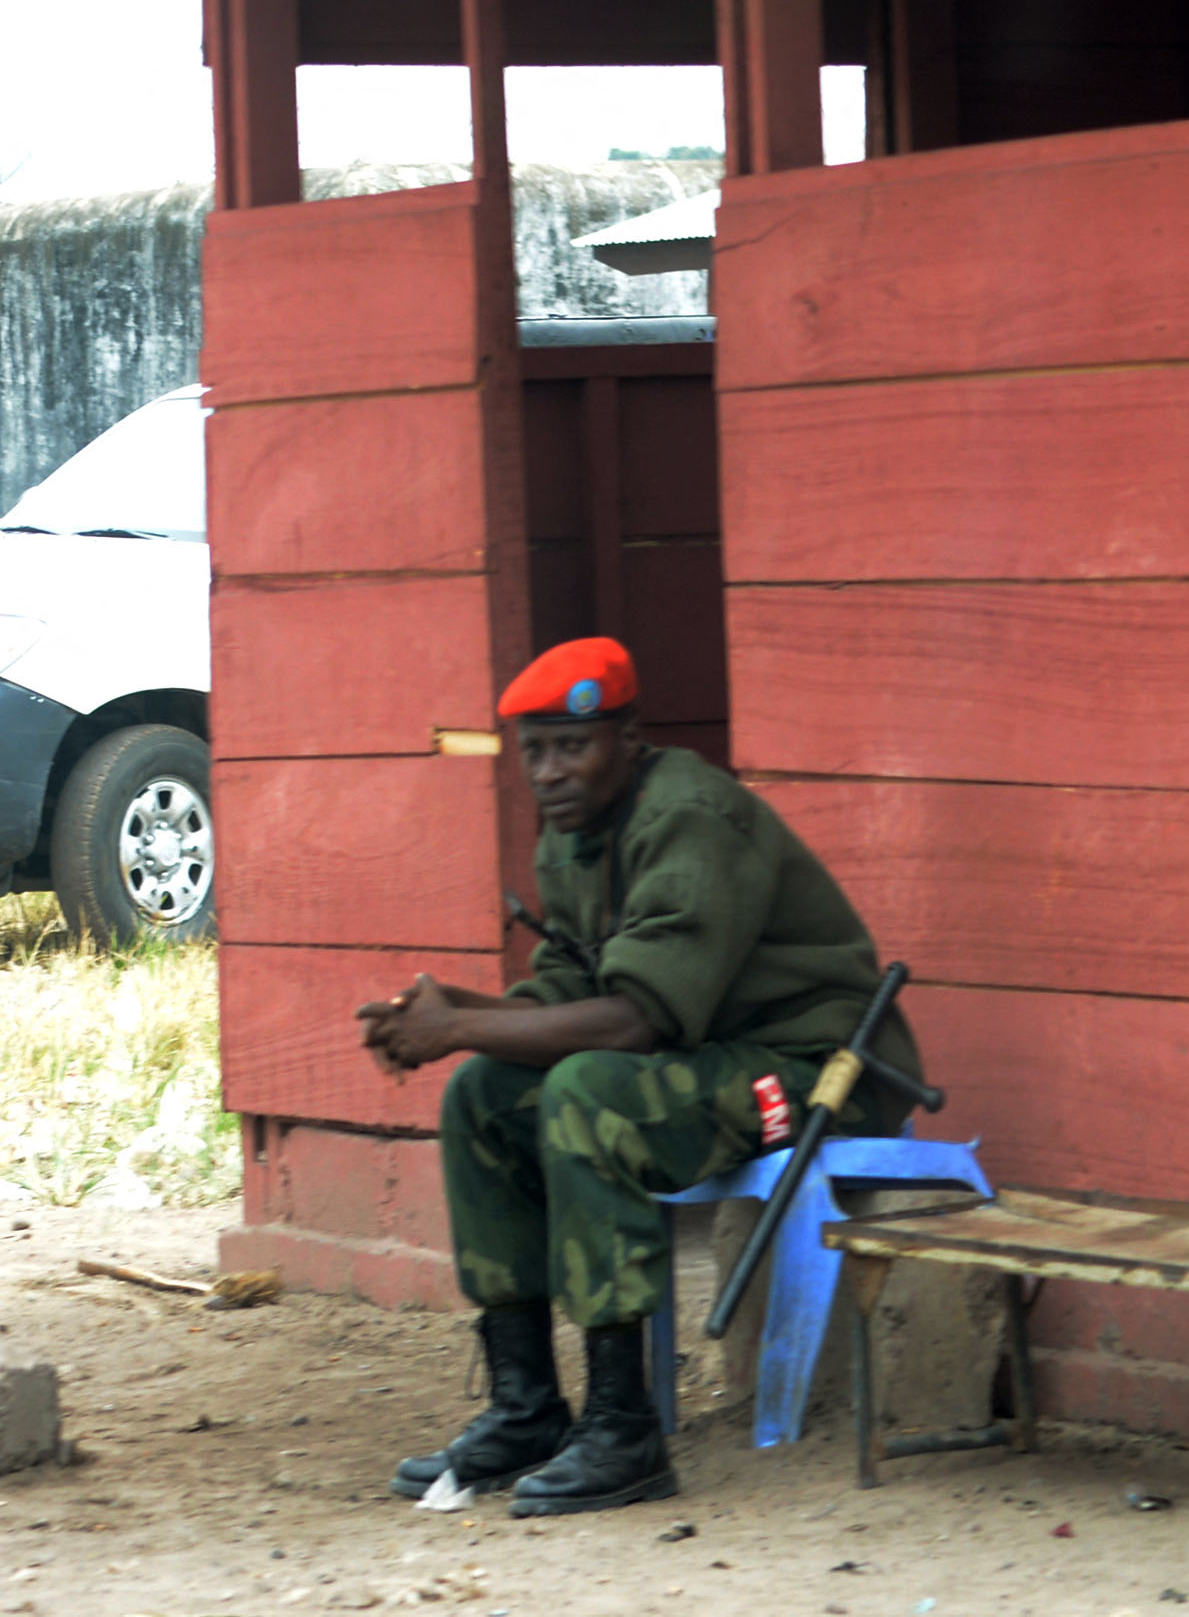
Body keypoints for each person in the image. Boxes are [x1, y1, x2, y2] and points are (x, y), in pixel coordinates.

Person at [358, 637, 925, 1519]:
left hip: (815, 1072)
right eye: (533, 750)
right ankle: (526, 1410)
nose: (548, 771)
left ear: (627, 738)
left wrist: (459, 1026)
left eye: (571, 746)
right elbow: (573, 988)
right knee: (481, 1093)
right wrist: (454, 1010)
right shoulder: (577, 829)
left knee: (588, 1093)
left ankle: (625, 1430)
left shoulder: (688, 818)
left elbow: (633, 1020)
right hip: (708, 1057)